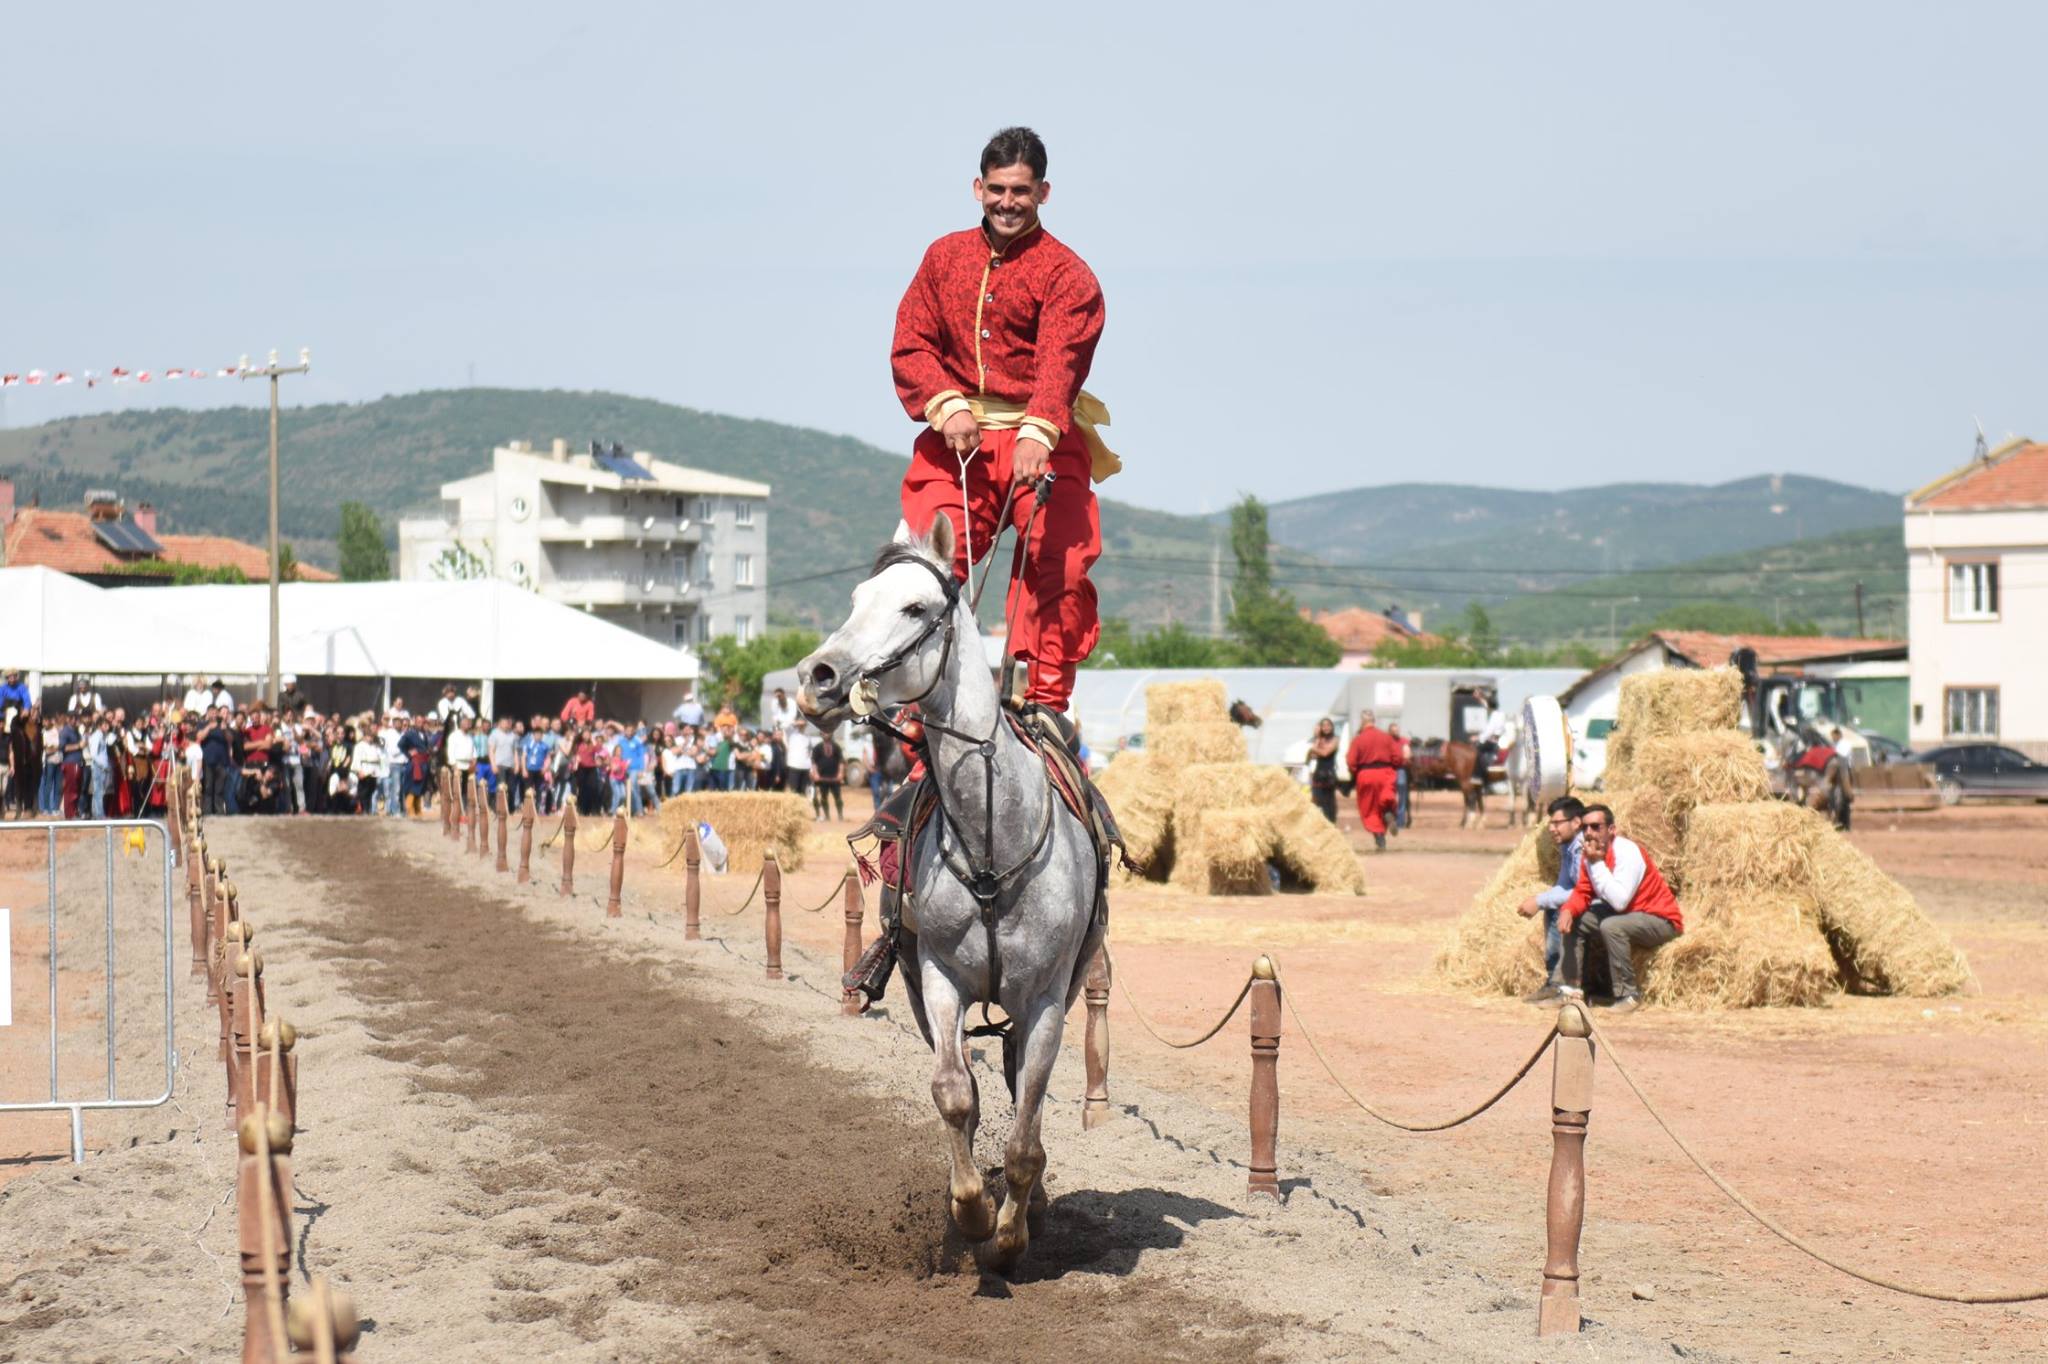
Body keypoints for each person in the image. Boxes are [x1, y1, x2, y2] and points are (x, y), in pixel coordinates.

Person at [892, 125, 1115, 724]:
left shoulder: (1069, 273)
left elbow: (1062, 359)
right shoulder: (943, 257)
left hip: (1042, 440)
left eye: (1020, 190)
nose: (1007, 202)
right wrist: (945, 401)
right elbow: (911, 342)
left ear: (1043, 192)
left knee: (1061, 566)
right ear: (977, 188)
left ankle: (1045, 710)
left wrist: (1038, 431)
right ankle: (921, 723)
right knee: (923, 571)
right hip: (955, 437)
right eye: (996, 189)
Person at [1557, 803, 1684, 1014]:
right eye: (1585, 827)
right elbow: (1583, 891)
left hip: (1660, 919)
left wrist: (1596, 863)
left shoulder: (1627, 852)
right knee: (1577, 920)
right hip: (1627, 915)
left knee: (1611, 926)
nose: (1589, 833)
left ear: (1611, 830)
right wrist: (1569, 909)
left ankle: (1628, 995)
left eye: (1596, 827)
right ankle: (1573, 989)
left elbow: (1619, 901)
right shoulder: (1590, 853)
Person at [1516, 796, 1586, 1002]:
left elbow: (1584, 890)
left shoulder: (1585, 847)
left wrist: (1539, 901)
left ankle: (1565, 987)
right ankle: (1553, 982)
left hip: (1601, 902)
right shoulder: (1568, 846)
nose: (1552, 828)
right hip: (1582, 897)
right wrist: (1541, 900)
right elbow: (1564, 885)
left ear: (1576, 822)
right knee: (1553, 907)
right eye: (1550, 823)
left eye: (1557, 823)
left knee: (1562, 909)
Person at [1344, 709, 1400, 851]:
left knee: (1370, 809)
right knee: (1387, 799)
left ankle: (1379, 838)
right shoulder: (1387, 737)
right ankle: (1388, 813)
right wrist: (1392, 766)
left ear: (1362, 722)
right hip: (1386, 773)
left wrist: (1355, 773)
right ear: (1374, 721)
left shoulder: (1358, 740)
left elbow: (1351, 762)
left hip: (1366, 774)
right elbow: (1398, 757)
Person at [1307, 718, 1339, 823]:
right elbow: (1311, 756)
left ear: (1332, 727)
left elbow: (1325, 753)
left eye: (1328, 725)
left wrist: (1313, 749)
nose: (1326, 728)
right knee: (1317, 800)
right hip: (1318, 774)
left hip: (1329, 774)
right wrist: (1317, 739)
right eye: (1323, 726)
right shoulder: (1319, 740)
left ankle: (1331, 823)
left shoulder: (1335, 739)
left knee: (1329, 803)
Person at [811, 728, 845, 822]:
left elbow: (841, 761)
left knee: (838, 798)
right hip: (822, 778)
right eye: (824, 732)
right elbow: (814, 762)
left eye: (828, 732)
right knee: (823, 798)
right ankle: (827, 816)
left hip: (835, 778)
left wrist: (841, 773)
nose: (826, 734)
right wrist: (816, 774)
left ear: (831, 733)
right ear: (821, 734)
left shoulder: (837, 746)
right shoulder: (817, 748)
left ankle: (840, 816)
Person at [1388, 722, 1414, 831]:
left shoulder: (1404, 741)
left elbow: (1408, 754)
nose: (1396, 732)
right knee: (1389, 796)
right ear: (1390, 732)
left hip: (1401, 770)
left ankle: (1400, 822)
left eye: (1397, 730)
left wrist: (1406, 755)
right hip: (1389, 770)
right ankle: (1390, 820)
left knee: (1402, 797)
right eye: (1393, 730)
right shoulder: (1387, 741)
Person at [783, 722, 812, 799]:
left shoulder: (807, 737)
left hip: (805, 766)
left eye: (803, 726)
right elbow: (786, 726)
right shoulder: (791, 735)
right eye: (800, 725)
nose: (802, 727)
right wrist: (796, 723)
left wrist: (811, 767)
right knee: (794, 790)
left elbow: (809, 752)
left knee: (803, 791)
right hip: (794, 765)